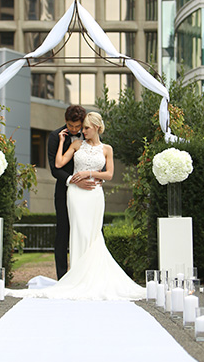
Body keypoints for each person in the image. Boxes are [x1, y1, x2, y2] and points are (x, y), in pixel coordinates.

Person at [8, 113, 144, 301]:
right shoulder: (76, 144)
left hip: (95, 194)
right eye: (83, 127)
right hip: (75, 194)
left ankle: (94, 278)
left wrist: (89, 173)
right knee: (78, 232)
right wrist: (61, 142)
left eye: (86, 128)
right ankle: (77, 277)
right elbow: (58, 164)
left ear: (97, 127)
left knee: (94, 234)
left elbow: (109, 174)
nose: (83, 131)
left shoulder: (107, 149)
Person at [47, 104, 89, 279]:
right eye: (70, 126)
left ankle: (86, 274)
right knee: (63, 233)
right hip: (64, 191)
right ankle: (63, 277)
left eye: (77, 126)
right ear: (65, 121)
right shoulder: (54, 137)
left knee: (87, 231)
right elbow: (54, 169)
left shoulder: (89, 135)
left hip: (87, 192)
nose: (73, 129)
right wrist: (74, 180)